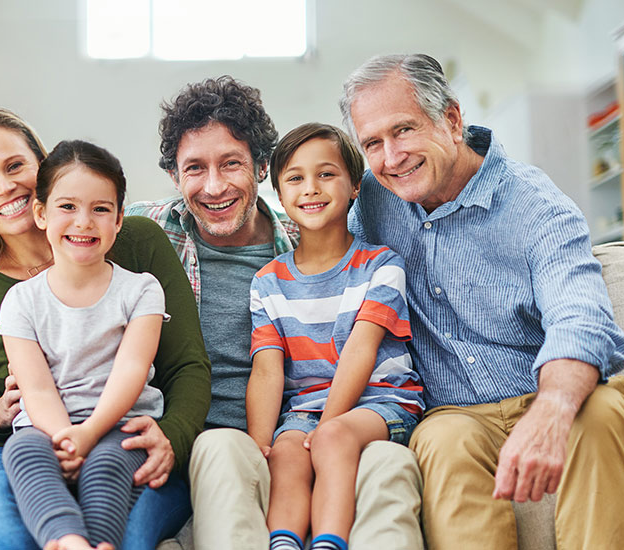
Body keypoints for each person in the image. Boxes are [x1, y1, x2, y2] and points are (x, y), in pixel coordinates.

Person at [339, 53, 624, 549]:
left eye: (404, 130)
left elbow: (581, 317)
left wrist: (551, 409)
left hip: (549, 389)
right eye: (372, 143)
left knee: (603, 412)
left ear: (452, 119)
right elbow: (315, 241)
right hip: (454, 414)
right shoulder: (374, 202)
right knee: (441, 440)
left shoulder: (536, 206)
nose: (391, 156)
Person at [127, 76, 425, 549]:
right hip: (222, 443)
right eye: (194, 169)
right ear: (173, 176)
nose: (214, 186)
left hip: (326, 424)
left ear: (262, 168)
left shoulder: (310, 227)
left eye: (231, 164)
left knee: (390, 467)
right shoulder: (143, 233)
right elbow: (64, 239)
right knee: (220, 448)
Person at [0, 108, 210, 550]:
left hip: (128, 435)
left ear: (42, 165)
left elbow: (187, 365)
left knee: (130, 538)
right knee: (9, 539)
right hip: (25, 447)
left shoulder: (134, 244)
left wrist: (172, 439)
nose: (5, 187)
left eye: (14, 166)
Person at [247, 123, 424, 550]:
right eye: (295, 178)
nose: (311, 188)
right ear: (280, 192)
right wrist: (260, 443)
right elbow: (268, 373)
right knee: (288, 453)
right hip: (305, 410)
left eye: (326, 174)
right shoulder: (267, 282)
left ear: (354, 187)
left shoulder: (381, 265)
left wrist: (326, 428)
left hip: (382, 401)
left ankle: (329, 542)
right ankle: (285, 543)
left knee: (333, 439)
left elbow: (361, 350)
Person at [0, 140, 167, 550]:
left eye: (101, 209)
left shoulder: (141, 290)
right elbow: (35, 388)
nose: (84, 222)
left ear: (119, 219)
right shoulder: (21, 300)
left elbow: (131, 371)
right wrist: (64, 438)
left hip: (118, 422)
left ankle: (100, 542)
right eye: (68, 207)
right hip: (46, 425)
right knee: (21, 452)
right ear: (41, 214)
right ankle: (68, 539)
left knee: (106, 463)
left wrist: (89, 434)